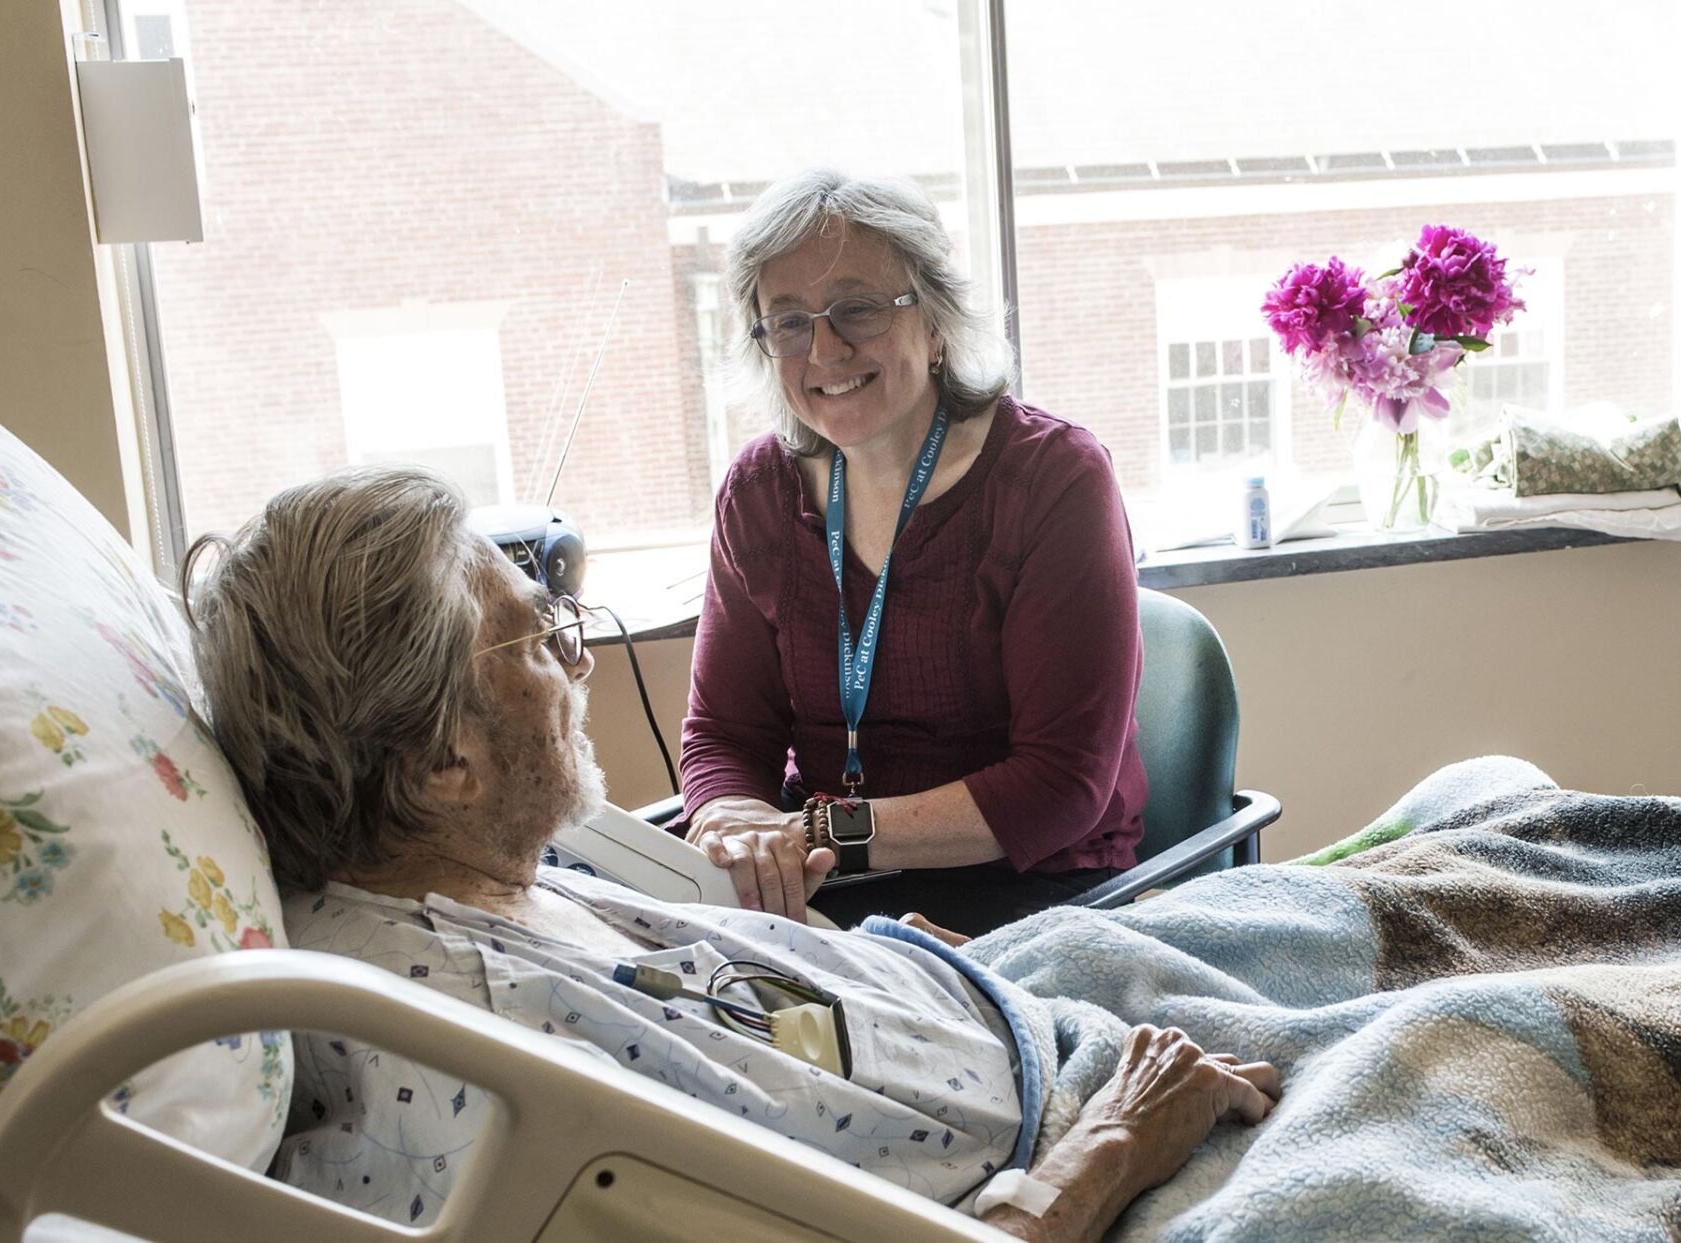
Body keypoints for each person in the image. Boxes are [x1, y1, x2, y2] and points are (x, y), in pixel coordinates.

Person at [184, 467, 1275, 1239]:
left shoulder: (471, 881)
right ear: (440, 765)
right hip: (1094, 1150)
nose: (580, 665)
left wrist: (870, 956)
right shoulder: (476, 1075)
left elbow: (720, 1014)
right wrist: (1122, 1143)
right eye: (541, 639)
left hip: (1024, 1007)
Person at [680, 168, 1148, 936]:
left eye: (857, 309)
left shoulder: (1051, 479)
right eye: (789, 321)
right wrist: (733, 822)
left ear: (934, 321)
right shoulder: (759, 493)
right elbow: (726, 734)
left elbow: (1061, 785)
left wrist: (823, 834)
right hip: (828, 884)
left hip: (1030, 892)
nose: (824, 349)